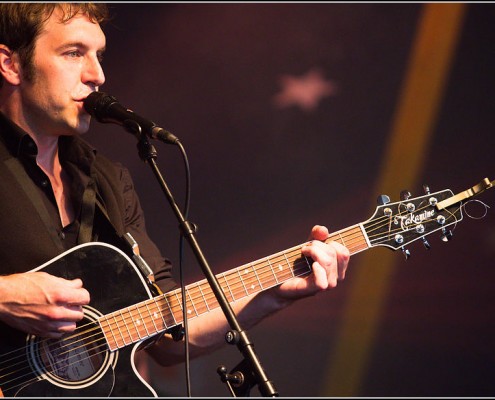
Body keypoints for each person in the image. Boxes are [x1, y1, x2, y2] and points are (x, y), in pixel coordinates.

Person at [0, 3, 350, 397]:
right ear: (10, 64)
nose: (97, 75)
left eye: (98, 55)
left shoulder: (106, 180)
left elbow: (168, 332)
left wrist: (276, 292)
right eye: (74, 53)